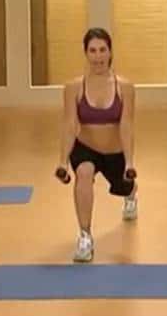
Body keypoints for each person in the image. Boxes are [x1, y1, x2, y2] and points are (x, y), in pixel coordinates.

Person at [55, 28, 138, 262]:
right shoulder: (73, 88)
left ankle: (131, 196)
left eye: (102, 50)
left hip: (114, 152)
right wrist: (63, 162)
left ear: (110, 52)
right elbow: (69, 124)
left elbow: (126, 125)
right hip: (86, 147)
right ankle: (85, 236)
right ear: (86, 53)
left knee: (125, 186)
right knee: (83, 173)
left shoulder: (125, 87)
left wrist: (129, 162)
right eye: (92, 51)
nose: (98, 56)